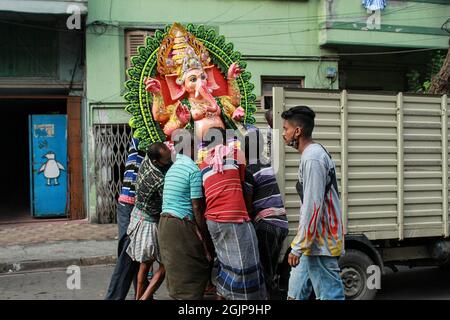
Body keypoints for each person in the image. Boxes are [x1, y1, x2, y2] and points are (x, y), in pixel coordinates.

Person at [281, 106, 345, 300]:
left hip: (321, 243)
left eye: (285, 129)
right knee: (294, 295)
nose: (284, 134)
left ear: (297, 131)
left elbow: (313, 206)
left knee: (330, 296)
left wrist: (298, 246)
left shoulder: (313, 158)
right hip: (312, 243)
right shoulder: (312, 155)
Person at [199, 127, 266, 300]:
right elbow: (243, 184)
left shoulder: (202, 164)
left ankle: (222, 294)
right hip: (233, 218)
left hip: (212, 221)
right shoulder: (235, 155)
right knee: (245, 263)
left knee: (225, 262)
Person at [158, 130, 211, 300]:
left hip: (165, 223)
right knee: (193, 268)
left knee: (177, 272)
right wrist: (204, 233)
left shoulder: (173, 168)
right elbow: (197, 207)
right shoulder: (192, 169)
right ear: (191, 147)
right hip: (180, 225)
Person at [242, 127, 288, 298]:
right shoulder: (266, 164)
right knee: (271, 270)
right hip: (281, 222)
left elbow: (247, 205)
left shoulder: (249, 171)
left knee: (264, 273)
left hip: (266, 225)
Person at [126, 142, 172, 300]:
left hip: (139, 216)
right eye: (167, 160)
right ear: (156, 161)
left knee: (144, 267)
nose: (170, 160)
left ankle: (141, 297)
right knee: (160, 265)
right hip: (149, 223)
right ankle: (143, 297)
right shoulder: (159, 179)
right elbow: (168, 200)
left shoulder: (146, 159)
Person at [105, 137, 144, 300]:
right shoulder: (142, 138)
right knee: (129, 253)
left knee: (134, 252)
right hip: (130, 203)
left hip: (129, 203)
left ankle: (142, 293)